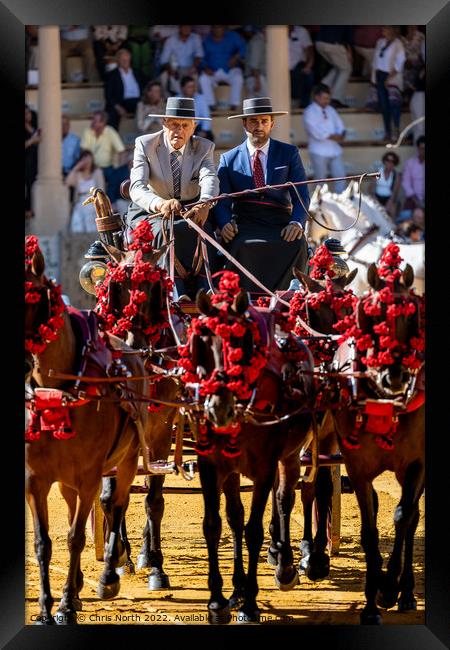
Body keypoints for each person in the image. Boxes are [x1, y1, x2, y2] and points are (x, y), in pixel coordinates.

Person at [125, 97, 219, 299]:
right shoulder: (145, 144)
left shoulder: (205, 147)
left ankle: (207, 289)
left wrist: (205, 203)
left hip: (191, 207)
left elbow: (210, 178)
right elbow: (137, 187)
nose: (180, 130)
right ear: (164, 123)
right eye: (174, 124)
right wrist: (159, 204)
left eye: (185, 125)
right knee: (166, 229)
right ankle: (174, 291)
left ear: (193, 127)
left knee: (204, 229)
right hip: (151, 208)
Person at [214, 96, 310, 295]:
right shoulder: (228, 158)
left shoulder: (289, 153)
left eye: (264, 121)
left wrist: (296, 223)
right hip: (245, 223)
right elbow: (222, 200)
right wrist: (224, 223)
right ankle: (240, 301)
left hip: (280, 222)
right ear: (244, 123)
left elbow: (302, 195)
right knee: (240, 245)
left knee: (298, 243)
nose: (259, 126)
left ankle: (290, 298)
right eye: (254, 121)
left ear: (272, 124)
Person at [303, 84, 347, 194]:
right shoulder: (309, 112)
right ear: (317, 97)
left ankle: (340, 202)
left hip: (334, 150)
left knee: (341, 177)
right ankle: (319, 206)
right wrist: (335, 136)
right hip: (318, 151)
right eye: (324, 98)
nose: (327, 101)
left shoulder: (331, 109)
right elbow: (317, 134)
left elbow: (340, 126)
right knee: (320, 181)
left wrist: (340, 134)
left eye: (328, 98)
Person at [80, 110, 128, 204]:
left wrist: (118, 166)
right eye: (92, 120)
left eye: (95, 121)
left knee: (117, 176)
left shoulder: (110, 131)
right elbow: (84, 152)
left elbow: (122, 151)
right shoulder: (87, 131)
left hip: (107, 167)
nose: (92, 123)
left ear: (103, 123)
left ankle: (109, 204)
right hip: (91, 167)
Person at [371, 26, 406, 143]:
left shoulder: (398, 43)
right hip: (380, 75)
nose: (383, 31)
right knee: (384, 106)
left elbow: (401, 60)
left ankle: (396, 130)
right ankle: (387, 132)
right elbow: (375, 61)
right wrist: (374, 78)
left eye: (385, 29)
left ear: (392, 30)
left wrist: (390, 77)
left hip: (392, 75)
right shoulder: (380, 42)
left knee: (394, 104)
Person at [199, 25, 246, 110]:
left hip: (229, 70)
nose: (218, 29)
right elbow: (201, 57)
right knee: (203, 78)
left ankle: (234, 105)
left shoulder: (232, 36)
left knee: (238, 77)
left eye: (220, 27)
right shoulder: (206, 40)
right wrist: (205, 67)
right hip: (213, 71)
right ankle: (210, 105)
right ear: (212, 29)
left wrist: (236, 57)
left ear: (224, 28)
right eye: (215, 27)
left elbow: (243, 47)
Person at [104, 48, 146, 131]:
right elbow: (108, 95)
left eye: (127, 59)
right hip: (121, 102)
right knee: (111, 113)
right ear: (118, 61)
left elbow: (147, 87)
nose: (125, 61)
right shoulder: (112, 75)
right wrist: (118, 108)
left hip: (138, 102)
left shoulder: (137, 72)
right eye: (123, 60)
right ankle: (113, 138)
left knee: (151, 109)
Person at [65, 150, 105, 232]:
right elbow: (67, 183)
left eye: (89, 158)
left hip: (93, 202)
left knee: (91, 226)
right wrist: (76, 168)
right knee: (77, 225)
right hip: (80, 202)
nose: (87, 161)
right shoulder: (78, 174)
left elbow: (101, 190)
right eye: (84, 158)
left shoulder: (97, 172)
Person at [314, 26, 354, 108]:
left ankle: (324, 85)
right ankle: (336, 99)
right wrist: (349, 52)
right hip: (332, 43)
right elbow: (348, 38)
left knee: (339, 66)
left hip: (319, 43)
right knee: (347, 69)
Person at [159, 25, 204, 96]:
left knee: (198, 81)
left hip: (190, 68)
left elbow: (199, 55)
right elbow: (163, 60)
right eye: (184, 26)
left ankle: (194, 102)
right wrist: (171, 71)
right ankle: (170, 102)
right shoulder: (171, 40)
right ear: (179, 27)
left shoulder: (196, 38)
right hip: (175, 69)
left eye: (188, 26)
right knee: (164, 78)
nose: (186, 28)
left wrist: (194, 67)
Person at [179, 75, 214, 141]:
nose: (193, 89)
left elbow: (206, 117)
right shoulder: (177, 99)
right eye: (190, 87)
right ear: (182, 88)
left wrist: (204, 131)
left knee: (209, 136)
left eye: (193, 86)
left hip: (197, 128)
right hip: (181, 128)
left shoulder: (201, 98)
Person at [399, 135, 425, 220]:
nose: (424, 151)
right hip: (413, 198)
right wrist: (415, 200)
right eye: (422, 148)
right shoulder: (410, 163)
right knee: (405, 218)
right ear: (418, 148)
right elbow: (406, 182)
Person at [288, 25, 315, 108]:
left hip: (299, 66)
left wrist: (309, 65)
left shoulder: (302, 31)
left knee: (309, 77)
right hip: (281, 69)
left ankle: (304, 105)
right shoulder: (275, 31)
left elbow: (310, 49)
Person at [370, 151, 402, 219]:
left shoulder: (396, 175)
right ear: (384, 161)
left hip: (389, 199)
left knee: (392, 210)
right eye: (388, 160)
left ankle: (393, 228)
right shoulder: (377, 172)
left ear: (395, 163)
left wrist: (389, 202)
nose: (390, 163)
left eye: (392, 161)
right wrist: (375, 200)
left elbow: (395, 192)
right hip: (377, 197)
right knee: (372, 209)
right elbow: (372, 189)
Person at [25, 104, 40, 220]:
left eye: (27, 113)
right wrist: (31, 141)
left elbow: (38, 136)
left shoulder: (36, 120)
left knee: (32, 183)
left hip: (34, 161)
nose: (26, 116)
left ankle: (30, 210)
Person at [245, 28, 268, 98]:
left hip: (261, 78)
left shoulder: (263, 40)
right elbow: (254, 65)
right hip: (256, 78)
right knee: (271, 101)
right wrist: (257, 82)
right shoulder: (258, 41)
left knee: (256, 105)